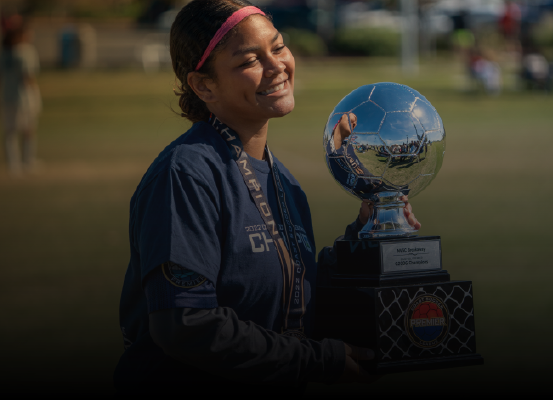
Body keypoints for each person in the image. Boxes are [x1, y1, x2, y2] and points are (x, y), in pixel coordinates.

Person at [114, 0, 420, 395]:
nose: (277, 66)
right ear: (203, 84)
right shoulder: (186, 174)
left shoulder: (284, 182)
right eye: (248, 61)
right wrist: (316, 360)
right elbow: (185, 323)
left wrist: (367, 234)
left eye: (278, 47)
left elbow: (292, 299)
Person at [0, 23, 41, 175]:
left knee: (10, 131)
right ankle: (28, 162)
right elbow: (28, 77)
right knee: (28, 130)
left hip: (7, 96)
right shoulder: (25, 52)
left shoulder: (4, 54)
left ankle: (13, 165)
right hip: (24, 97)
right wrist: (35, 94)